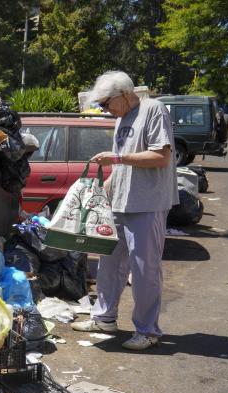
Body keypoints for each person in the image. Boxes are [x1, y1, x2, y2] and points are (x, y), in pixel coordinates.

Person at [71, 71, 177, 350]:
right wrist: (101, 188)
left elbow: (160, 156)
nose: (105, 110)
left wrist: (116, 158)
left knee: (144, 270)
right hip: (119, 202)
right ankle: (104, 317)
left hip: (147, 203)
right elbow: (122, 166)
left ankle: (148, 330)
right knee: (109, 263)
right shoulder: (121, 119)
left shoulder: (152, 110)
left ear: (124, 93)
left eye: (107, 103)